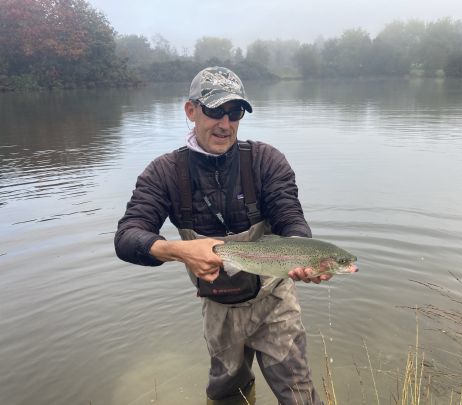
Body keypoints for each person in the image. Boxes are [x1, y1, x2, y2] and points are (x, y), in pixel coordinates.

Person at [114, 66, 331, 404]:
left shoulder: (266, 161)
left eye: (235, 112)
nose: (225, 124)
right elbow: (128, 237)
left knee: (300, 395)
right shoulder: (164, 174)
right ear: (191, 111)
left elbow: (290, 216)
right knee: (228, 395)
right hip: (219, 310)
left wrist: (303, 253)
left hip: (275, 301)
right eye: (215, 110)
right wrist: (179, 250)